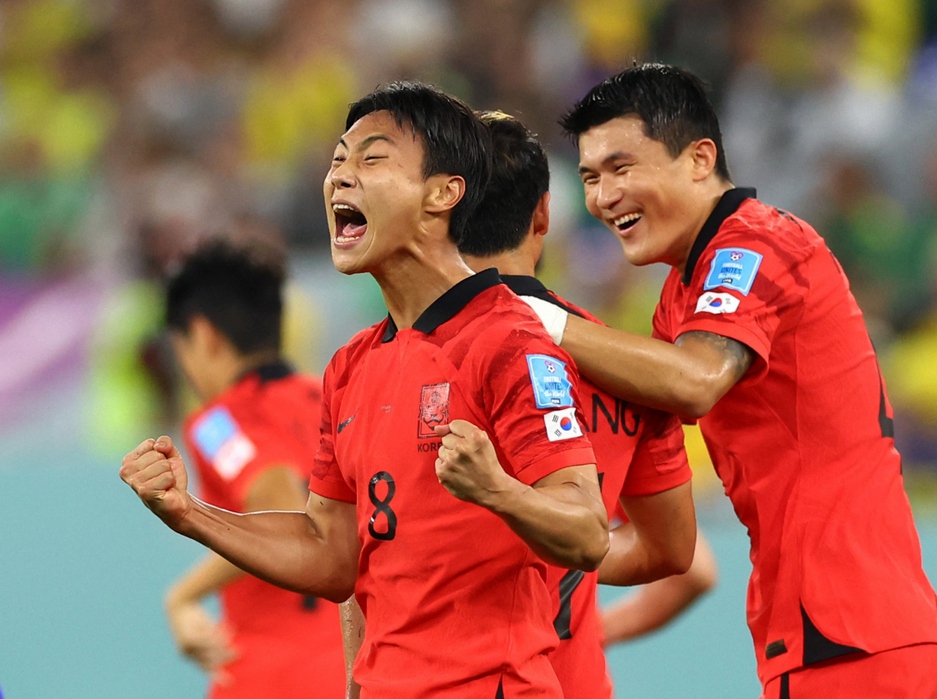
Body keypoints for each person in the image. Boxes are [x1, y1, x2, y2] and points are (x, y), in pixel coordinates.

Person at [121, 82, 610, 699]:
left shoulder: (510, 342)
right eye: (337, 161)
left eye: (370, 159)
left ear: (442, 194)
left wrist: (498, 491)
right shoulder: (350, 366)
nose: (340, 178)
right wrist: (191, 515)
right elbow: (332, 556)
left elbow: (588, 532)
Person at [520, 63, 937, 698]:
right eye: (590, 178)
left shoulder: (755, 243)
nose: (603, 197)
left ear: (700, 159)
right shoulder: (682, 294)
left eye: (622, 168)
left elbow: (696, 381)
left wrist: (541, 318)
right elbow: (668, 534)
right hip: (818, 628)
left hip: (851, 627)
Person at [460, 111, 707, 697]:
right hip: (573, 681)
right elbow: (677, 554)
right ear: (544, 213)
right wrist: (573, 550)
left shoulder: (404, 356)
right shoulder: (627, 369)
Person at [160, 240, 345, 698]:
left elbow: (282, 506)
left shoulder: (217, 423)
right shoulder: (335, 400)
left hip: (273, 675)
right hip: (357, 666)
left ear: (203, 336)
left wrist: (182, 596)